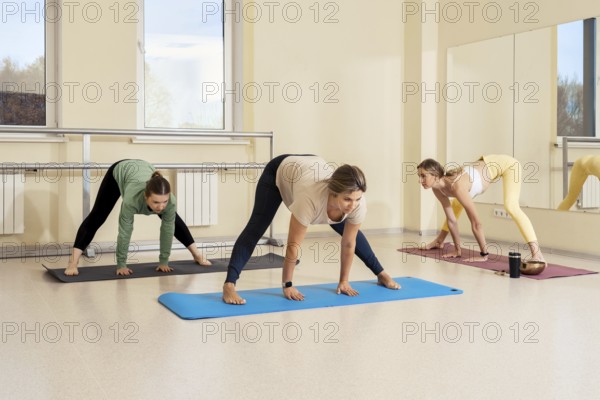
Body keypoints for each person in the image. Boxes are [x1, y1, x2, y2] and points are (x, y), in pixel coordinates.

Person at [223, 154, 400, 305]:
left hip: (309, 165)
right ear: (334, 193)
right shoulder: (310, 199)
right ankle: (229, 285)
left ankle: (381, 273)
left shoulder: (356, 204)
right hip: (281, 170)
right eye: (348, 199)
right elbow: (293, 244)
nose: (353, 205)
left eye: (357, 199)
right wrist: (287, 284)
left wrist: (344, 281)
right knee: (256, 227)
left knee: (351, 233)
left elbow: (348, 243)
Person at [64, 159, 211, 276]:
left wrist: (164, 262)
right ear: (146, 197)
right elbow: (125, 231)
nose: (160, 207)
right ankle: (73, 261)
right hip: (119, 171)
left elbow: (167, 230)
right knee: (98, 216)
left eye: (164, 201)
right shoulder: (132, 200)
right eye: (155, 202)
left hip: (143, 167)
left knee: (173, 220)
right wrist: (121, 265)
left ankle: (196, 254)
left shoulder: (170, 201)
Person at [417, 154, 546, 264]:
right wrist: (457, 249)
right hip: (484, 166)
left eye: (423, 176)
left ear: (434, 175)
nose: (420, 180)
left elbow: (477, 223)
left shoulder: (458, 187)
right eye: (419, 176)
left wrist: (484, 254)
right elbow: (451, 220)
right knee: (457, 205)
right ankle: (439, 241)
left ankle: (537, 254)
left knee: (511, 205)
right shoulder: (437, 187)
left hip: (509, 165)